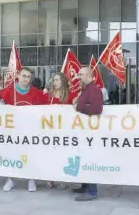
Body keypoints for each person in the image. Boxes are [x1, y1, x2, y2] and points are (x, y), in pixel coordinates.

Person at [0, 67, 44, 192]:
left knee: (30, 155)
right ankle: (10, 179)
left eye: (28, 77)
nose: (25, 79)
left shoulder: (37, 93)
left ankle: (31, 179)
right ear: (18, 76)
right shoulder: (7, 91)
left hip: (29, 130)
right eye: (23, 76)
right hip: (13, 129)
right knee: (11, 154)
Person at [73, 67, 104, 202]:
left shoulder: (94, 90)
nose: (78, 76)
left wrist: (79, 108)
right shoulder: (85, 90)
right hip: (84, 130)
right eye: (78, 74)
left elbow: (97, 109)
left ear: (90, 76)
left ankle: (92, 191)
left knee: (90, 159)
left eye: (81, 74)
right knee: (84, 158)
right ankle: (85, 186)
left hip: (91, 132)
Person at [43, 72, 72, 189]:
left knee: (62, 155)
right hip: (49, 130)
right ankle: (50, 178)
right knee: (50, 155)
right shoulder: (47, 95)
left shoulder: (70, 95)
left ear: (63, 81)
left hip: (63, 130)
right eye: (54, 80)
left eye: (57, 80)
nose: (55, 82)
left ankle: (61, 178)